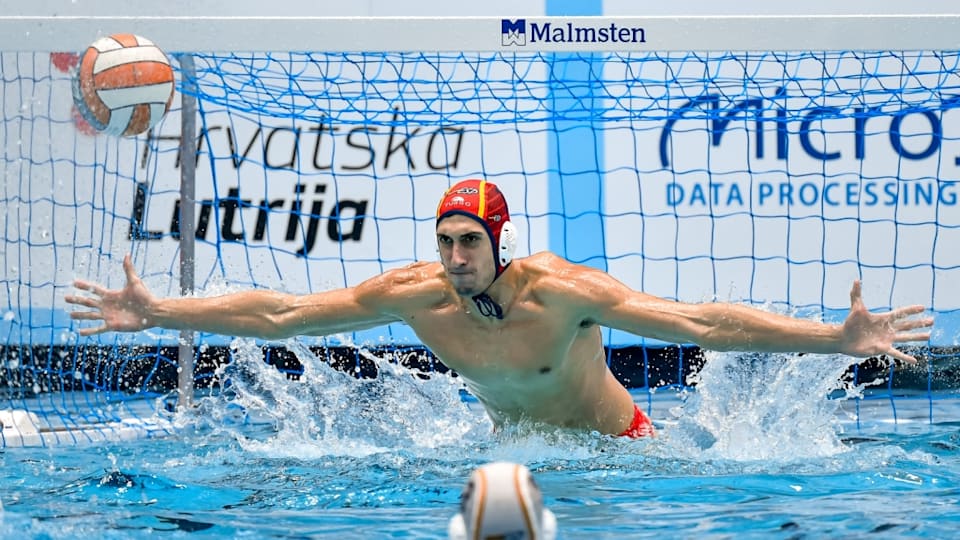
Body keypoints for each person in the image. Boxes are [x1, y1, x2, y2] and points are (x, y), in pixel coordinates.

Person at [65, 179, 934, 438]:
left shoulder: (562, 293)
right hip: (513, 451)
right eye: (444, 243)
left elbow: (700, 325)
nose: (452, 260)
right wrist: (165, 312)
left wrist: (835, 338)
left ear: (499, 245)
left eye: (468, 244)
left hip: (622, 455)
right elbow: (285, 314)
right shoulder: (415, 295)